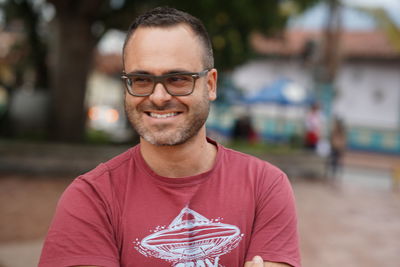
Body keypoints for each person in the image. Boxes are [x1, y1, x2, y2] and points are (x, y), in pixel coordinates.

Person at [39, 7, 300, 267]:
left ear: (210, 84)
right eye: (141, 79)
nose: (159, 96)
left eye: (177, 79)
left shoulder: (264, 187)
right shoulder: (92, 198)